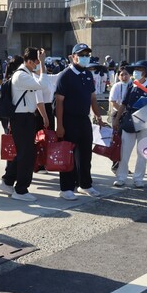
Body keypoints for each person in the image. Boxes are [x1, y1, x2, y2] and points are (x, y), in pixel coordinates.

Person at [0, 47, 54, 202]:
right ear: (29, 61)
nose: (37, 64)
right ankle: (21, 190)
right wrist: (42, 63)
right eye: (36, 61)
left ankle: (8, 181)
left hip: (25, 118)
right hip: (22, 119)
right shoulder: (21, 76)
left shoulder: (25, 74)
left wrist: (40, 63)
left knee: (22, 152)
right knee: (27, 155)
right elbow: (43, 84)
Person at [55, 43, 105, 201]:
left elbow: (92, 98)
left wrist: (98, 115)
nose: (84, 57)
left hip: (84, 120)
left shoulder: (88, 75)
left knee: (85, 154)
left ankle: (85, 184)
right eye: (81, 55)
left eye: (87, 55)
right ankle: (66, 188)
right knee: (68, 154)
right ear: (73, 56)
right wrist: (60, 125)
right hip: (69, 120)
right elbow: (59, 102)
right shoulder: (65, 75)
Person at [112, 61, 147, 188]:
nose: (136, 72)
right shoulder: (131, 86)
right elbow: (124, 103)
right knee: (125, 150)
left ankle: (138, 178)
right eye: (135, 69)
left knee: (143, 151)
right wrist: (117, 120)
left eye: (139, 70)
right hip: (129, 121)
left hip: (146, 121)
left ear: (145, 72)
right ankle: (121, 176)